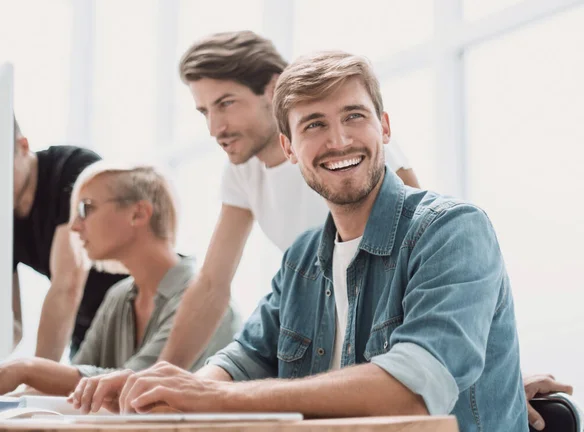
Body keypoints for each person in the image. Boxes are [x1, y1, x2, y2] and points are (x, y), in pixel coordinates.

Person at [70, 51, 532, 431]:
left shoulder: (452, 230)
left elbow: (410, 394)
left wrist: (211, 394)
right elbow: (245, 358)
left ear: (384, 128)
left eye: (354, 116)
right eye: (313, 125)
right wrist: (169, 391)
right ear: (289, 148)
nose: (339, 139)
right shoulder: (302, 257)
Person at [158, 30, 419, 370]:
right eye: (204, 111)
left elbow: (419, 235)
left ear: (272, 87)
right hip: (328, 329)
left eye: (225, 104)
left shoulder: (354, 151)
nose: (215, 128)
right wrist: (161, 379)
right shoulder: (242, 172)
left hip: (389, 333)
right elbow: (211, 285)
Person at [0, 163, 240, 396]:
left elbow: (139, 384)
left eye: (86, 208)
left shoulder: (204, 303)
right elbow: (74, 386)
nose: (74, 226)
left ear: (138, 214)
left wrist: (28, 369)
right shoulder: (118, 297)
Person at [12, 119, 127, 360]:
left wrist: (36, 379)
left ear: (23, 146)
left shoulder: (72, 169)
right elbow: (11, 326)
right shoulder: (0, 216)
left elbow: (68, 285)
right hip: (86, 330)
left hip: (134, 312)